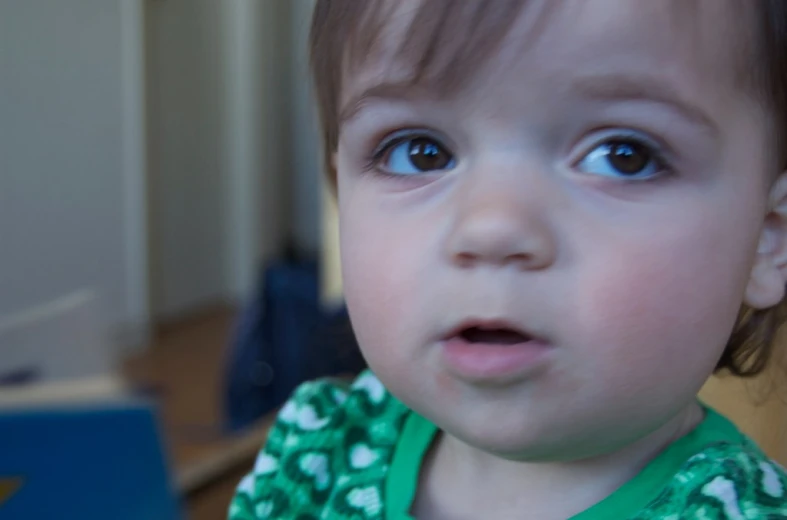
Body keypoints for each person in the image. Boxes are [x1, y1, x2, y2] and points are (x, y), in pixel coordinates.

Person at [229, 1, 787, 518]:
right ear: (340, 196)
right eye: (418, 151)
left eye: (624, 156)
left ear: (770, 238)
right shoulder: (321, 451)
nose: (491, 227)